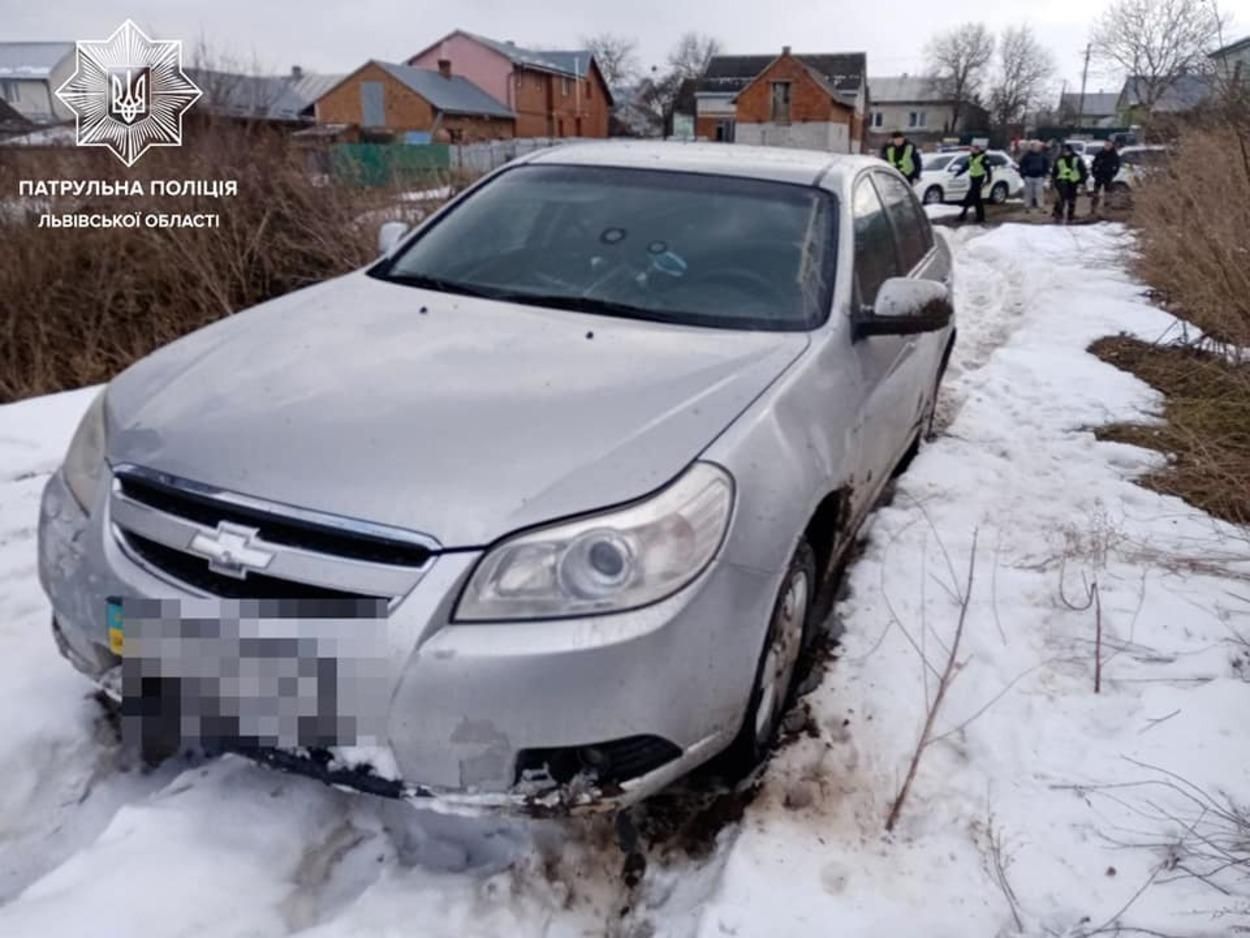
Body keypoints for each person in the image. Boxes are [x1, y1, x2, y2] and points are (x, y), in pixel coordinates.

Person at [954, 143, 992, 223]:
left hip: (979, 178)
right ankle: (979, 217)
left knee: (971, 196)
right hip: (973, 178)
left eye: (973, 149)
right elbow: (966, 166)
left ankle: (964, 215)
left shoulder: (983, 157)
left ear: (977, 150)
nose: (971, 150)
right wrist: (958, 173)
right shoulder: (971, 157)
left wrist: (989, 179)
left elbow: (988, 169)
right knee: (976, 198)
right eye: (971, 149)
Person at [1051, 144, 1088, 223]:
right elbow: (1055, 171)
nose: (1066, 153)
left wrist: (1082, 180)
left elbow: (1082, 170)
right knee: (1061, 198)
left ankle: (1070, 215)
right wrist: (1054, 181)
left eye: (1067, 151)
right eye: (1064, 151)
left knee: (1072, 199)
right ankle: (1058, 214)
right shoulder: (1059, 159)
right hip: (1062, 181)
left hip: (1074, 181)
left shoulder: (1076, 158)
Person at [1089, 139, 1121, 215]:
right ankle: (1093, 210)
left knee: (1108, 193)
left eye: (1109, 145)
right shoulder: (1100, 154)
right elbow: (1094, 164)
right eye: (1106, 145)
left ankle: (1107, 210)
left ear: (1112, 146)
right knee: (1096, 193)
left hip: (1108, 176)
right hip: (1099, 176)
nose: (1107, 146)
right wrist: (1094, 173)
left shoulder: (1114, 155)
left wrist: (1113, 173)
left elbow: (1117, 166)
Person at [1017, 140, 1049, 213]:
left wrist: (1044, 174)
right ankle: (1027, 207)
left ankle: (1041, 207)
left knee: (1039, 192)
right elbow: (1021, 165)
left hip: (1039, 177)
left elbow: (1046, 165)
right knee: (1028, 193)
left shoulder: (1042, 156)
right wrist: (1023, 175)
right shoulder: (1026, 156)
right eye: (1035, 146)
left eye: (1038, 146)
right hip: (1028, 176)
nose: (1036, 148)